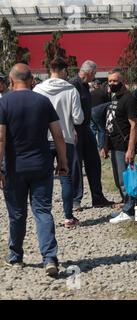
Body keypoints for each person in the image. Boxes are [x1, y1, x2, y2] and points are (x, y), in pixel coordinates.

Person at [0, 63, 69, 276]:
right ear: (31, 80)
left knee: (17, 214)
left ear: (11, 81)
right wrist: (63, 162)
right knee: (42, 210)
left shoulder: (4, 103)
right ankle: (49, 258)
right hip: (41, 165)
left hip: (14, 167)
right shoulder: (43, 101)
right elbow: (58, 135)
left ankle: (16, 256)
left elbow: (1, 138)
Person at [33, 57, 84, 228]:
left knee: (43, 178)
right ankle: (68, 217)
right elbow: (78, 118)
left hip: (43, 138)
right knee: (66, 177)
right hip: (65, 137)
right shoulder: (71, 90)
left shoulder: (38, 89)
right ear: (63, 71)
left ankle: (43, 216)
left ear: (50, 70)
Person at [69, 60, 113, 211]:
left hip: (86, 127)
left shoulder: (85, 85)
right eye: (94, 74)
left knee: (94, 162)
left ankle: (98, 197)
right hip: (74, 128)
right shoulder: (73, 84)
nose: (94, 77)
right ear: (89, 72)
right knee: (75, 164)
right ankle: (75, 200)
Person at [101, 68, 137, 224]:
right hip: (114, 144)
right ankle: (126, 206)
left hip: (124, 146)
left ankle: (129, 211)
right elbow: (109, 123)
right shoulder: (114, 97)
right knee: (119, 180)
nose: (112, 83)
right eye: (110, 81)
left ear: (122, 81)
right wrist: (105, 145)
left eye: (115, 81)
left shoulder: (129, 99)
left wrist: (130, 149)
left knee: (126, 181)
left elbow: (134, 125)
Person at [90, 80, 110, 151]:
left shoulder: (91, 93)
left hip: (91, 112)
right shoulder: (103, 93)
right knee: (101, 130)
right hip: (99, 113)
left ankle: (92, 146)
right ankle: (101, 147)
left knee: (93, 130)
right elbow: (108, 104)